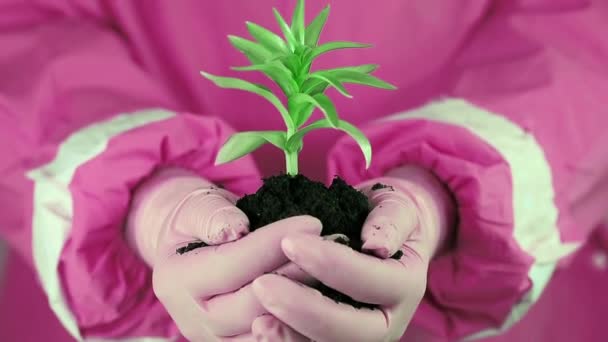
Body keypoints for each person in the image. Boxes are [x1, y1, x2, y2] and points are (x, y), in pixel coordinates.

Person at [0, 0, 607, 341]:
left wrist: (446, 194)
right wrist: (146, 202)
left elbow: (585, 30)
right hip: (125, 285)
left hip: (487, 289)